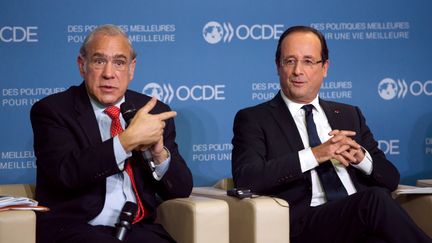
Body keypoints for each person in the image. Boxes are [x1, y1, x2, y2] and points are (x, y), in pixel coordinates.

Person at [231, 26, 432, 243]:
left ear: (325, 67)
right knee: (374, 199)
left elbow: (391, 179)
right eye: (290, 61)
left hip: (358, 220)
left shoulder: (349, 114)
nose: (298, 70)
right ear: (278, 66)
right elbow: (248, 178)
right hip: (304, 224)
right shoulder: (254, 118)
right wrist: (315, 155)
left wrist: (361, 158)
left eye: (308, 61)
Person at [30, 24, 193, 243]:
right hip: (76, 228)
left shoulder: (153, 111)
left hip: (138, 229)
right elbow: (66, 173)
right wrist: (126, 141)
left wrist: (159, 154)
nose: (109, 74)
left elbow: (180, 190)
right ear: (82, 65)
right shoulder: (53, 111)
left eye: (119, 62)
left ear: (131, 68)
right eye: (99, 61)